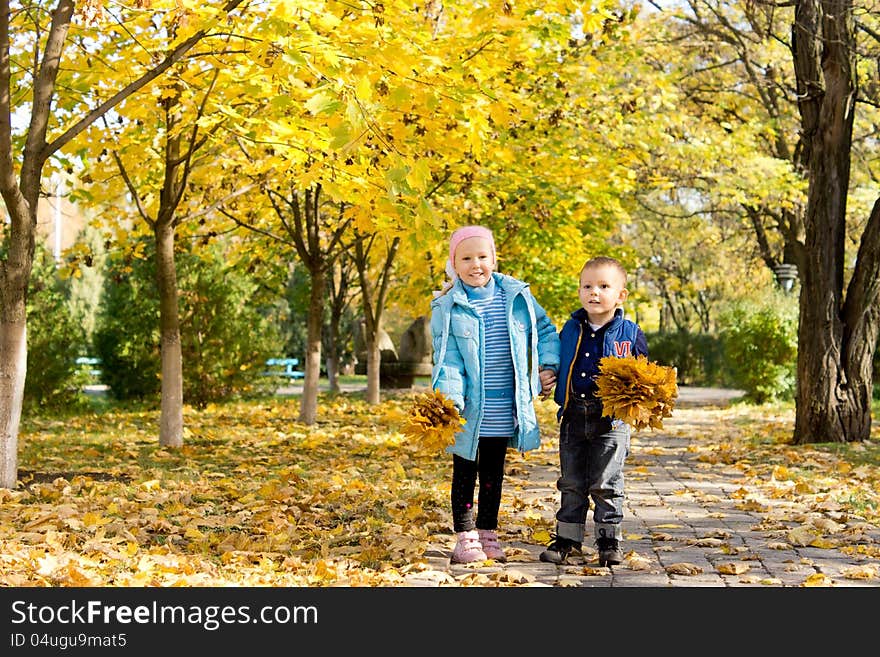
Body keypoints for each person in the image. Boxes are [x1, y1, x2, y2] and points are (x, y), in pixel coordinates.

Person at [430, 225, 560, 563]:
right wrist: (451, 401)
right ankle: (465, 536)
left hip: (506, 405)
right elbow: (447, 359)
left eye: (483, 257)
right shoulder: (448, 306)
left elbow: (545, 331)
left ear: (494, 258)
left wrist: (548, 367)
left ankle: (488, 533)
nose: (476, 265)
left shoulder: (516, 296)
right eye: (467, 258)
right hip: (470, 407)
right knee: (464, 471)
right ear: (454, 264)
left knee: (492, 473)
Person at [539, 256, 648, 567]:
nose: (594, 292)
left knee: (607, 482)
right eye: (587, 286)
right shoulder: (571, 330)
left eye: (603, 286)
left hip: (611, 420)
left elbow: (643, 377)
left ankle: (608, 539)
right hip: (574, 415)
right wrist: (548, 378)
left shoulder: (630, 333)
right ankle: (568, 540)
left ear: (620, 295)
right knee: (572, 482)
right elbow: (558, 362)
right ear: (579, 291)